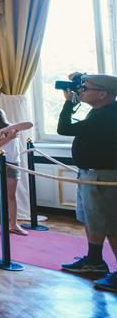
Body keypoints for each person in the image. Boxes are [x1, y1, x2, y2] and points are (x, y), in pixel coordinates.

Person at [57, 73, 117, 292]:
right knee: (92, 220)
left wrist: (67, 102)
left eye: (86, 88)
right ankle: (94, 260)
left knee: (111, 224)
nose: (81, 91)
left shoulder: (108, 115)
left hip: (104, 175)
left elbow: (64, 129)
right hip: (90, 173)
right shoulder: (99, 110)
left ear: (102, 93)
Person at [0, 108, 32, 236]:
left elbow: (29, 124)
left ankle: (14, 224)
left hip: (13, 163)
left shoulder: (11, 128)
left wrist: (8, 129)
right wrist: (8, 138)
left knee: (11, 195)